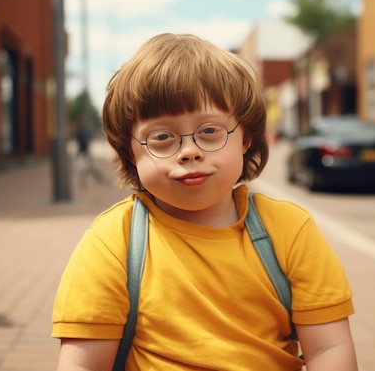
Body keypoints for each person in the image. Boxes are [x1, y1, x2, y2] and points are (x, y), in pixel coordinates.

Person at [52, 33, 358, 370]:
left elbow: (328, 350)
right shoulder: (113, 241)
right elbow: (83, 364)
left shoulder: (290, 232)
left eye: (209, 131)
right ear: (130, 151)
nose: (189, 151)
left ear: (246, 137)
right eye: (162, 137)